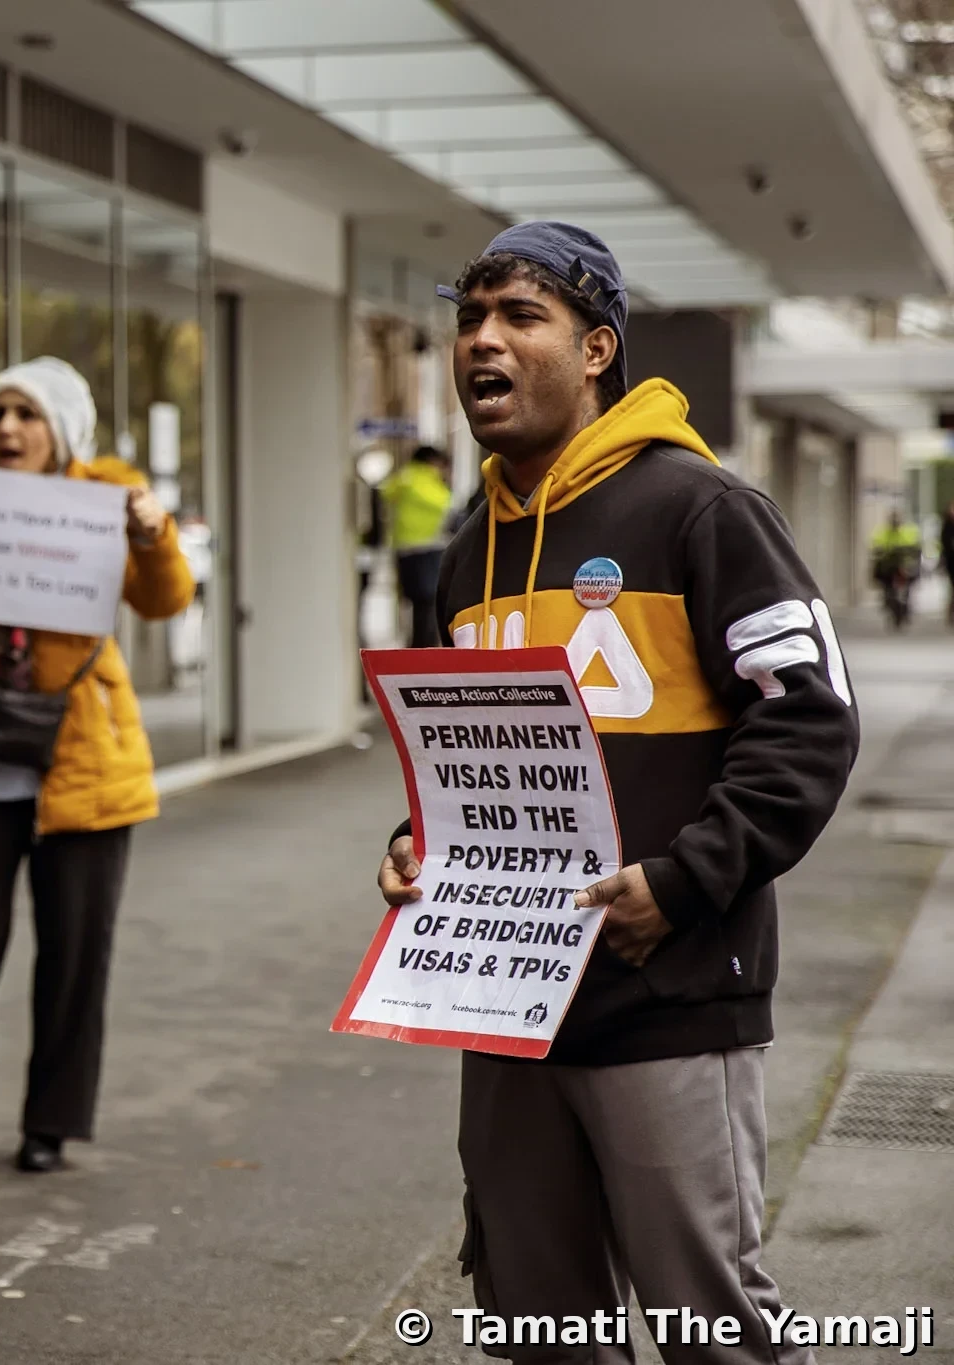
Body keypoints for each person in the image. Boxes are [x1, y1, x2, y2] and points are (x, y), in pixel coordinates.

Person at [377, 222, 857, 1364]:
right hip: (504, 1010)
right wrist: (417, 843)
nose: (480, 342)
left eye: (517, 317)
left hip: (667, 992)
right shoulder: (462, 552)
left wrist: (680, 883)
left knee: (709, 1330)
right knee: (540, 1331)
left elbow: (807, 718)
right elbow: (463, 768)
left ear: (596, 349)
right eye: (467, 321)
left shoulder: (701, 511)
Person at [0, 357, 194, 1174]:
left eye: (27, 413)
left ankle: (49, 1125)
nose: (8, 428)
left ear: (61, 429)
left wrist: (154, 532)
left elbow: (165, 601)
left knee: (73, 959)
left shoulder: (106, 501)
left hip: (82, 764)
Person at [378, 444, 452, 647]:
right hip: (427, 548)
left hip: (404, 548)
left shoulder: (403, 478)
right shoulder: (425, 480)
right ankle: (423, 648)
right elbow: (446, 505)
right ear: (431, 462)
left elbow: (386, 494)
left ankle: (416, 644)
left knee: (415, 603)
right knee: (428, 604)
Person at [871, 507, 921, 630]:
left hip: (904, 565)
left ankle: (906, 606)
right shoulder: (882, 532)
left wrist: (911, 552)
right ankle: (888, 600)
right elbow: (875, 545)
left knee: (909, 581)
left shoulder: (909, 531)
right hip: (889, 566)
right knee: (884, 581)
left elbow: (916, 546)